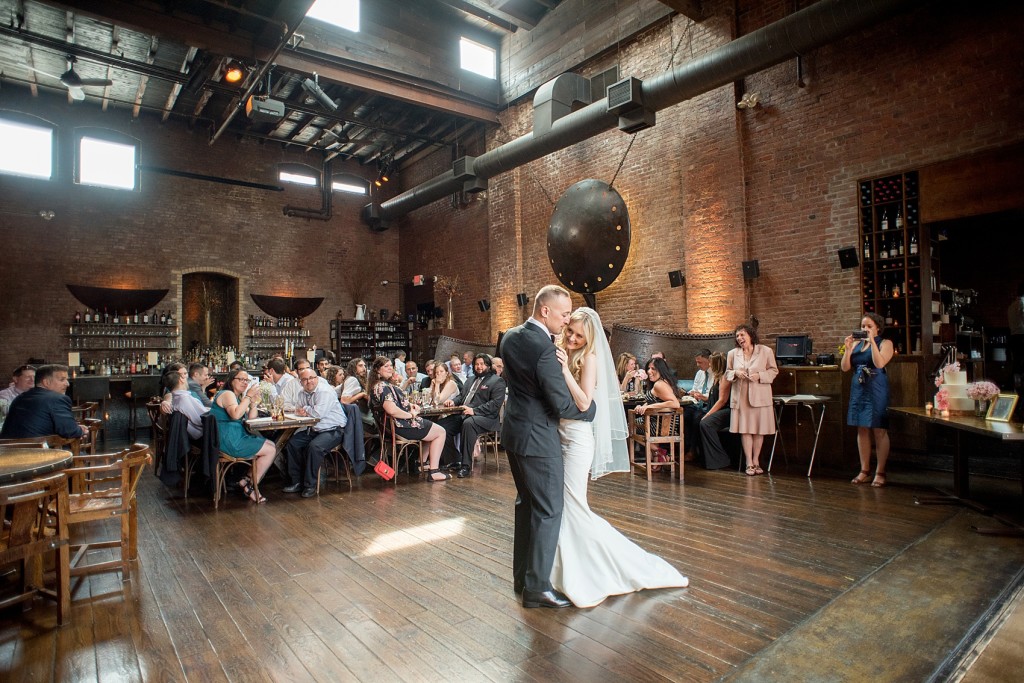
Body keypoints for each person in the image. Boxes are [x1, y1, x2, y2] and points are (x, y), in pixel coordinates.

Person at [550, 307, 688, 607]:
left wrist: (563, 372)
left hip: (578, 439)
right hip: (560, 434)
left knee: (573, 504)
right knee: (562, 505)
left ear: (590, 339)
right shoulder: (565, 352)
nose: (572, 338)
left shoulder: (590, 359)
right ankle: (561, 570)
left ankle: (614, 566)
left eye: (578, 335)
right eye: (569, 332)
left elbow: (585, 401)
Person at [499, 285, 595, 609]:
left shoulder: (510, 337)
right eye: (564, 313)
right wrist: (590, 410)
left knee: (526, 504)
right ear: (545, 311)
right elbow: (561, 403)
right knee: (549, 509)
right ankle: (538, 588)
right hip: (539, 438)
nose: (567, 320)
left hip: (513, 433)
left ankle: (522, 578)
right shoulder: (543, 347)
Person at [368, 356, 450, 481]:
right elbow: (391, 409)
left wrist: (408, 405)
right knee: (440, 432)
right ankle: (434, 471)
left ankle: (419, 464)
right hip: (402, 426)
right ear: (377, 370)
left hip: (393, 428)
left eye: (391, 365)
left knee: (432, 429)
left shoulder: (378, 386)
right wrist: (410, 415)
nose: (390, 368)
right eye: (386, 366)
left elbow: (394, 403)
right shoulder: (383, 387)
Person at [842, 313, 893, 487]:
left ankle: (880, 471)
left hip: (876, 386)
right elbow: (845, 367)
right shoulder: (856, 344)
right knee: (861, 428)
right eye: (863, 326)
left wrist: (872, 342)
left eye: (869, 326)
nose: (865, 329)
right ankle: (864, 470)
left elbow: (879, 364)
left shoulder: (885, 343)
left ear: (877, 327)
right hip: (859, 386)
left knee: (879, 429)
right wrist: (848, 349)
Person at [211, 370, 276, 503]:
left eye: (246, 380)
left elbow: (251, 418)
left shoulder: (237, 397)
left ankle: (246, 480)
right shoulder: (227, 394)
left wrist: (253, 403)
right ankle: (251, 487)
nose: (244, 383)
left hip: (235, 436)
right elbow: (235, 415)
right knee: (271, 450)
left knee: (271, 445)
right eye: (241, 379)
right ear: (231, 380)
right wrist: (248, 397)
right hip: (230, 440)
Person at [283, 367, 348, 498]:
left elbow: (318, 413)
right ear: (300, 382)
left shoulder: (324, 392)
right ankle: (297, 482)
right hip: (315, 429)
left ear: (317, 378)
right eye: (305, 379)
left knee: (314, 447)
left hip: (334, 429)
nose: (309, 382)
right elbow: (298, 410)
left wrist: (306, 409)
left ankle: (310, 485)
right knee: (292, 444)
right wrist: (305, 410)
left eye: (312, 378)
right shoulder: (301, 393)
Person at [726, 324, 778, 476]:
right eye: (737, 336)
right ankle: (749, 462)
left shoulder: (765, 351)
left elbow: (774, 371)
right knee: (745, 430)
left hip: (760, 395)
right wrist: (736, 373)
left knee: (758, 430)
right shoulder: (732, 354)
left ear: (750, 335)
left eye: (742, 335)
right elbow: (727, 373)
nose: (740, 338)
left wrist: (760, 376)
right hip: (741, 396)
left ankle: (756, 461)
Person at [444, 354, 507, 478]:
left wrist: (474, 410)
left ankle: (466, 466)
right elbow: (461, 397)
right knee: (442, 427)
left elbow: (494, 405)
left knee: (469, 424)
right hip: (464, 414)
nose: (478, 367)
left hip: (487, 418)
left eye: (481, 364)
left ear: (488, 365)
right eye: (476, 364)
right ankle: (454, 459)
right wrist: (453, 401)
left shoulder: (497, 381)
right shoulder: (470, 380)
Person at [0, 364, 86, 440]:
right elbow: (69, 431)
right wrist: (81, 430)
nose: (67, 384)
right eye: (62, 380)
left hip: (8, 452)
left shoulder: (20, 397)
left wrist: (75, 428)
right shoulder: (57, 399)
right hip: (38, 454)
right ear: (46, 382)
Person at [633, 357, 682, 468]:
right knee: (640, 421)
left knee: (629, 427)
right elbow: (653, 400)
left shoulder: (659, 384)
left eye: (653, 369)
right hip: (664, 424)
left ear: (661, 369)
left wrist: (650, 407)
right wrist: (644, 406)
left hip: (662, 425)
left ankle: (659, 451)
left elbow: (675, 403)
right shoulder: (663, 382)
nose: (649, 371)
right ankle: (656, 459)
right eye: (648, 368)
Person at [699, 351, 733, 470]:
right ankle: (702, 457)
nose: (709, 365)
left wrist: (708, 414)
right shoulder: (716, 377)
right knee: (696, 419)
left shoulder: (725, 378)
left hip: (727, 411)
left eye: (711, 363)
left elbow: (722, 400)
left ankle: (720, 459)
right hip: (718, 409)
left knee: (706, 423)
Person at [682, 349, 713, 461]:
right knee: (683, 416)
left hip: (707, 405)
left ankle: (693, 450)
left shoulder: (715, 373)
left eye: (700, 362)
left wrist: (702, 396)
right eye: (696, 362)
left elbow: (713, 394)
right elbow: (695, 388)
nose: (697, 365)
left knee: (696, 418)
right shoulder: (699, 373)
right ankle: (684, 449)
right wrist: (691, 392)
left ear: (709, 360)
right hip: (695, 403)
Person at [164, 366, 209, 440]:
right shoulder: (184, 398)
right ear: (181, 380)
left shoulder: (176, 397)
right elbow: (200, 419)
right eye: (184, 375)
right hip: (202, 435)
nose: (187, 378)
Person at [341, 357, 375, 432]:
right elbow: (344, 401)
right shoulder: (353, 380)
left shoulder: (352, 379)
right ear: (353, 368)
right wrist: (361, 394)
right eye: (360, 366)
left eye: (364, 366)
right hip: (363, 422)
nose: (364, 368)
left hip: (361, 420)